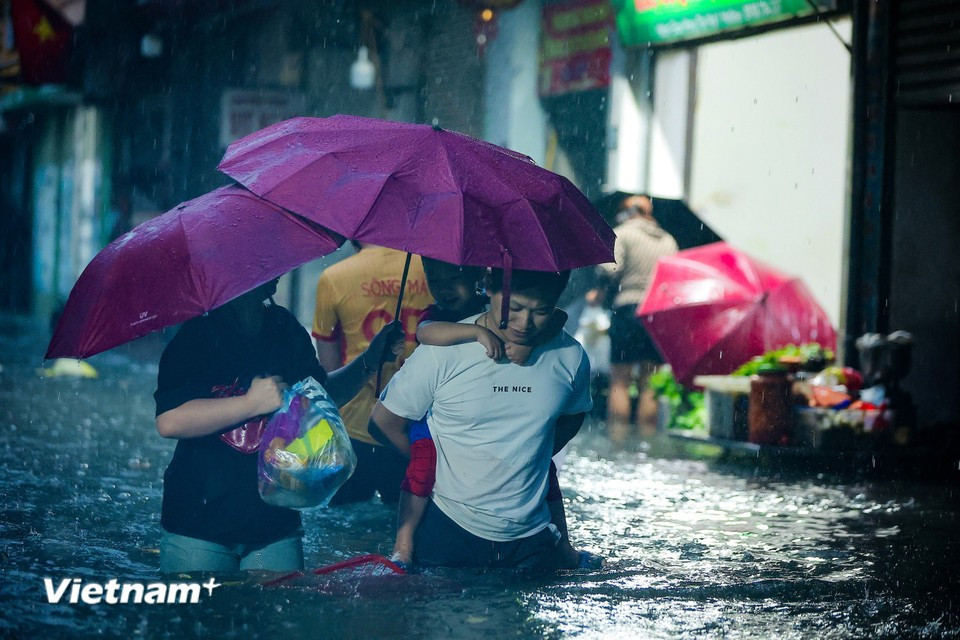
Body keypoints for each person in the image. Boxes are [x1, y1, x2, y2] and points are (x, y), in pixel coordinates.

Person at [154, 278, 404, 573]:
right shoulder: (196, 335)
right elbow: (169, 421)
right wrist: (249, 404)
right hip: (199, 523)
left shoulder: (284, 329)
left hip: (274, 524)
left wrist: (371, 360)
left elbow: (321, 396)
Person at [369, 268, 592, 569]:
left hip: (532, 540)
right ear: (488, 287)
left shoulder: (570, 355)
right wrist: (438, 468)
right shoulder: (443, 351)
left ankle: (564, 547)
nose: (524, 323)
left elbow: (572, 418)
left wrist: (528, 456)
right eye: (514, 308)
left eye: (541, 311)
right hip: (447, 532)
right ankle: (403, 545)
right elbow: (384, 422)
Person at [312, 243, 434, 505]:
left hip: (353, 429)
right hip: (414, 429)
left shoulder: (334, 277)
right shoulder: (432, 271)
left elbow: (330, 376)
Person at [585, 194, 678, 441]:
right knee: (650, 383)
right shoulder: (669, 240)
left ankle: (618, 443)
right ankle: (645, 443)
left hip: (628, 309)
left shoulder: (623, 233)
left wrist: (600, 291)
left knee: (620, 381)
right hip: (657, 314)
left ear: (628, 212)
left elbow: (609, 269)